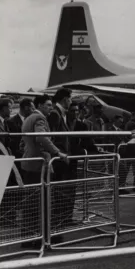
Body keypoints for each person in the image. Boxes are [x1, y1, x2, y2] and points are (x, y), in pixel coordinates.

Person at [20, 94, 70, 245]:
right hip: (39, 165)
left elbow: (25, 142)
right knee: (45, 201)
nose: (51, 108)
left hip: (30, 163)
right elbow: (41, 137)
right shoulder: (39, 119)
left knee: (32, 203)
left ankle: (31, 237)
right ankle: (46, 236)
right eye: (48, 105)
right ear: (40, 105)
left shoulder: (29, 118)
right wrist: (58, 152)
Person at [47, 88, 76, 230]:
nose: (71, 102)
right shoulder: (55, 114)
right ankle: (57, 221)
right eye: (70, 99)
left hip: (62, 158)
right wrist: (58, 154)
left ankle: (62, 219)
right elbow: (51, 137)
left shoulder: (62, 114)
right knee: (59, 190)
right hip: (58, 159)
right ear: (65, 99)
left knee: (62, 190)